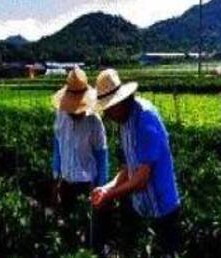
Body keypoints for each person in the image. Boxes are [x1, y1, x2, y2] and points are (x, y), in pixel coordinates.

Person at [91, 69, 181, 257]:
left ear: (121, 101)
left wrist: (109, 196)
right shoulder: (124, 122)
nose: (107, 114)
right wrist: (107, 188)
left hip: (162, 209)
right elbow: (127, 168)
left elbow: (141, 179)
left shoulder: (144, 118)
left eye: (109, 108)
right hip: (142, 207)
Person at [51, 66, 109, 254]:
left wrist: (101, 188)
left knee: (91, 231)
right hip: (67, 182)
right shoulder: (60, 116)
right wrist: (55, 175)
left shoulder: (95, 122)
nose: (76, 112)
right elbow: (57, 145)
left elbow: (102, 157)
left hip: (88, 185)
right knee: (68, 228)